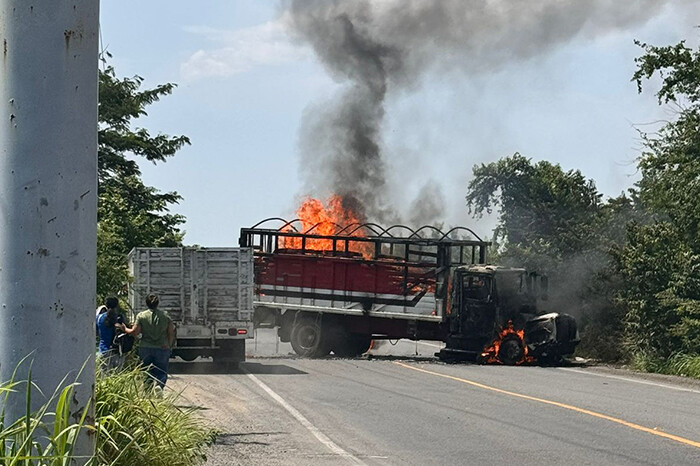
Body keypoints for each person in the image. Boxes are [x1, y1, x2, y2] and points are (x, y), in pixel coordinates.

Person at [120, 293, 175, 388]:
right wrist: (169, 346)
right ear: (157, 304)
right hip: (162, 347)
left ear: (146, 303)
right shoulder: (165, 316)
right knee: (161, 372)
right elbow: (171, 333)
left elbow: (134, 332)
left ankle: (148, 392)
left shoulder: (141, 316)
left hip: (145, 347)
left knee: (146, 372)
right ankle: (159, 387)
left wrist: (124, 329)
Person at [96, 296, 126, 370]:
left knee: (104, 377)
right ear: (116, 306)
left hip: (103, 350)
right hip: (117, 351)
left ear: (106, 305)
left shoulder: (99, 318)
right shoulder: (119, 318)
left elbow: (96, 332)